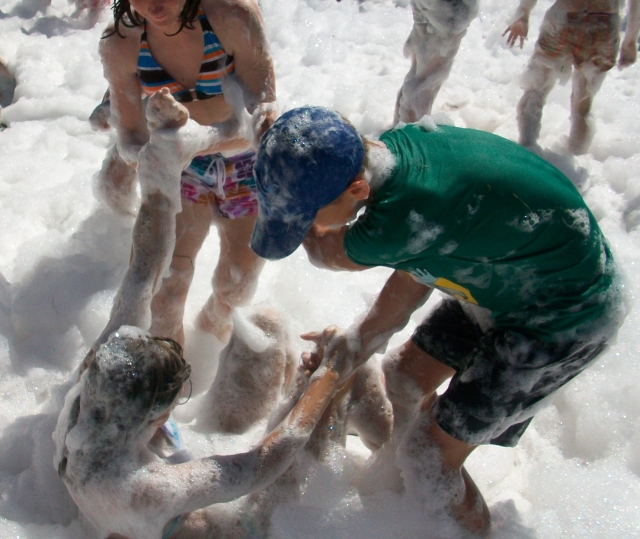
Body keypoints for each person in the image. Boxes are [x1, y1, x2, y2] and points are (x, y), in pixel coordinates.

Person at [248, 107, 625, 531]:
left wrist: (307, 234)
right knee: (400, 382)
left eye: (306, 218)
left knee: (428, 456)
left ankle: (478, 531)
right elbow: (417, 263)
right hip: (513, 275)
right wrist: (358, 343)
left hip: (565, 316)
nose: (305, 227)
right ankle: (405, 491)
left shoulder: (398, 220)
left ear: (356, 190)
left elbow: (328, 252)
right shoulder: (395, 156)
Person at [93, 0, 277, 368]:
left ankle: (212, 341)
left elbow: (264, 119)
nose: (153, 3)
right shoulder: (121, 43)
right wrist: (158, 154)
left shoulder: (232, 17)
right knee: (165, 290)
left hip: (246, 164)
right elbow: (131, 138)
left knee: (235, 285)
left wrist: (195, 142)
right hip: (178, 165)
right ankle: (170, 379)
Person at [53, 326, 346, 539]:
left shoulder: (78, 416)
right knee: (340, 392)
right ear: (158, 415)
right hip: (236, 529)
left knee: (264, 323)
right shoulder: (148, 489)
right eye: (172, 405)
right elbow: (264, 464)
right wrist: (331, 372)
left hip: (137, 517)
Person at [503, 0, 640, 154]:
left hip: (565, 19)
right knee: (583, 102)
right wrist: (631, 40)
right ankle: (573, 156)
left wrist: (523, 12)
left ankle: (527, 147)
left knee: (536, 88)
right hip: (604, 26)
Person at [394, 0, 479, 123]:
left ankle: (400, 125)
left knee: (420, 72)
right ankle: (410, 129)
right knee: (427, 80)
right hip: (449, 8)